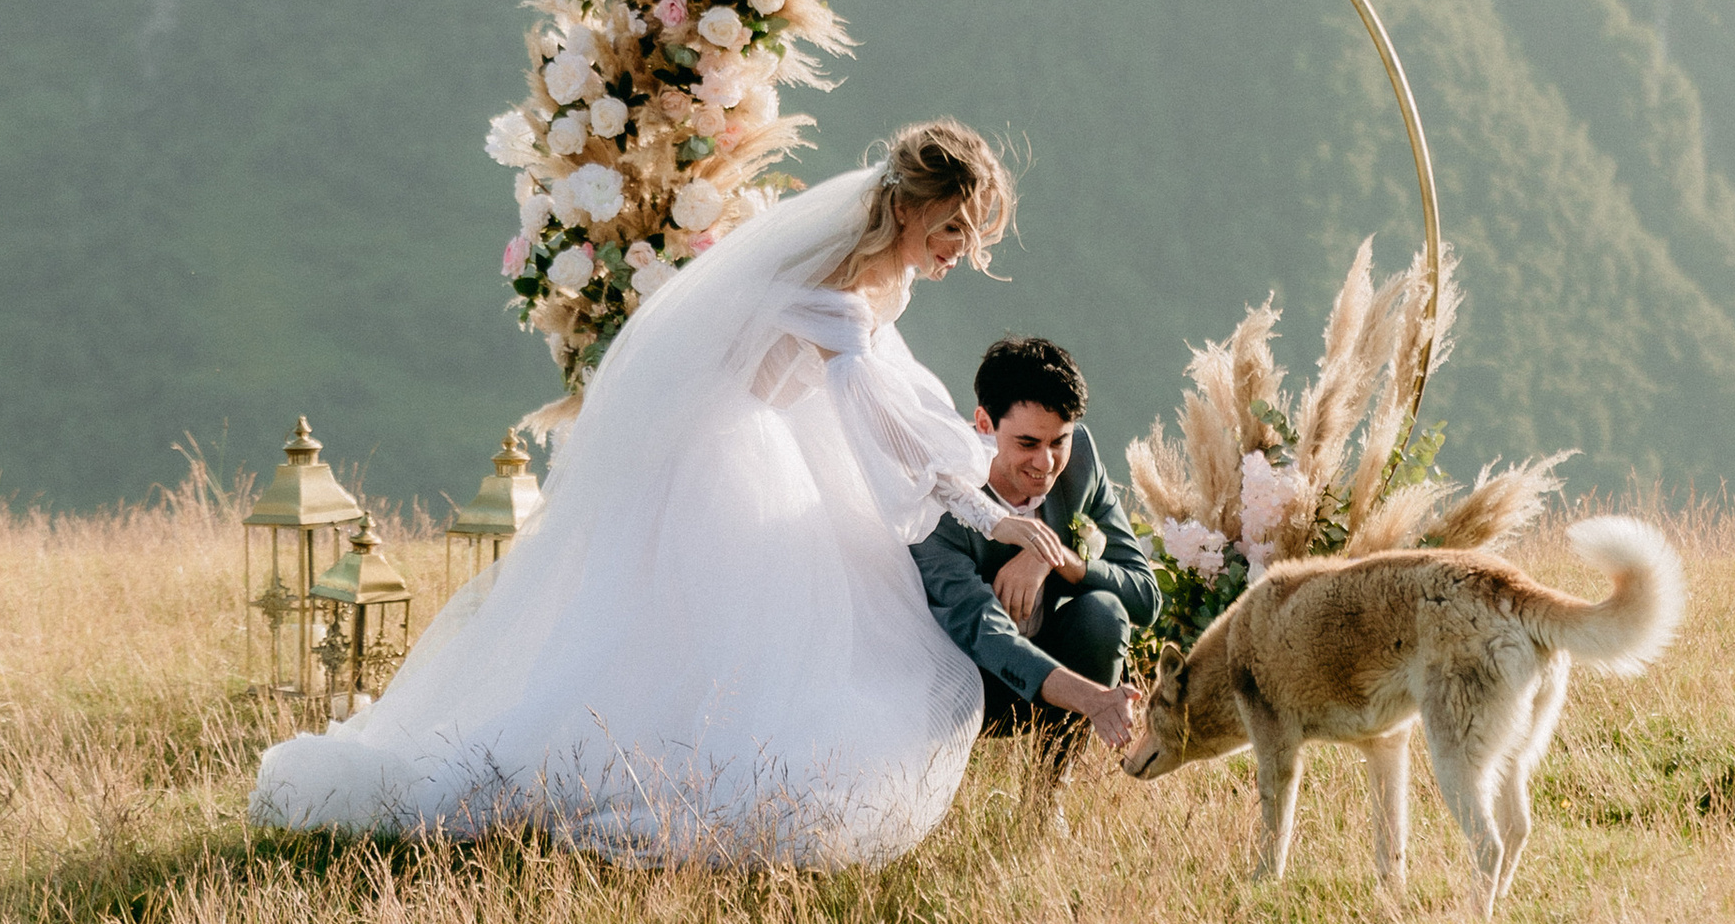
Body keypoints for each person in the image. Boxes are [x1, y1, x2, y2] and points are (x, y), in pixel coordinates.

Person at [247, 122, 1078, 864]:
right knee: (710, 635)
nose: (961, 249)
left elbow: (892, 411)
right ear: (907, 210)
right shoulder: (833, 288)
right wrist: (990, 515)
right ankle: (602, 768)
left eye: (973, 233)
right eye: (953, 227)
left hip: (765, 434)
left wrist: (986, 505)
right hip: (718, 454)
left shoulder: (876, 278)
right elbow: (884, 431)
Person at [913, 335, 1154, 758]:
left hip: (1049, 657)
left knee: (1104, 614)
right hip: (962, 683)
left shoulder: (1080, 460)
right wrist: (1092, 698)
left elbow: (1145, 598)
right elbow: (983, 633)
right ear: (984, 424)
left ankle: (1047, 798)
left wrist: (1053, 555)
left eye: (1058, 441)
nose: (1046, 463)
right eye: (1027, 443)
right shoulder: (942, 495)